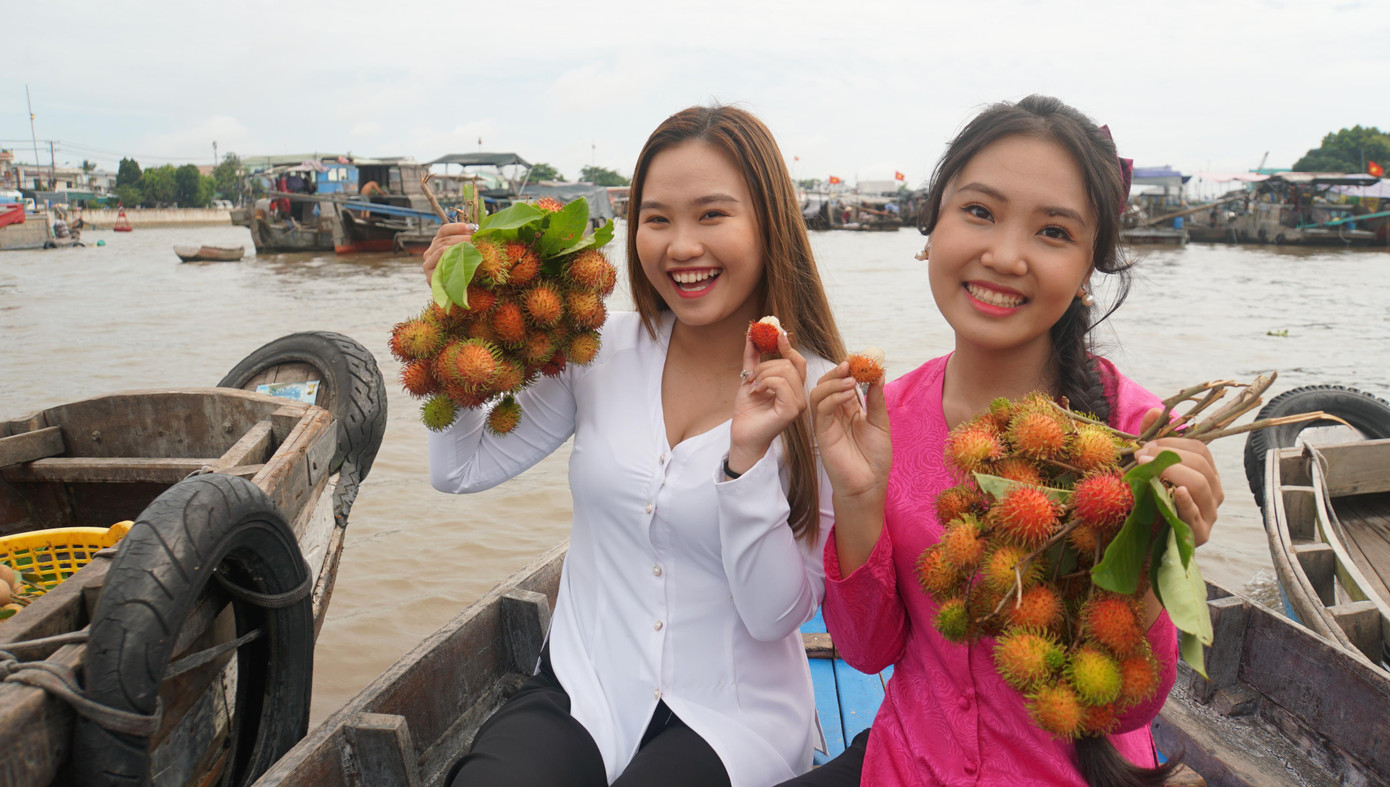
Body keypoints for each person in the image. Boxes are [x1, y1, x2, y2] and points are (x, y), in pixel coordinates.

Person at [780, 95, 1226, 787]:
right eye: (980, 212)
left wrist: (1149, 559)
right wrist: (858, 495)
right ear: (931, 227)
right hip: (906, 764)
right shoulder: (878, 416)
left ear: (1088, 269)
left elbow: (1128, 707)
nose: (1005, 255)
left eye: (1053, 232)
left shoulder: (1139, 440)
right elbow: (867, 653)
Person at [421, 105, 846, 787]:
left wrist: (744, 464)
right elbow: (460, 470)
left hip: (730, 716)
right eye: (657, 218)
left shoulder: (818, 392)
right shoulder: (597, 349)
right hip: (584, 685)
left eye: (712, 215)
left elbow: (774, 616)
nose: (680, 246)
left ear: (769, 224)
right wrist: (456, 328)